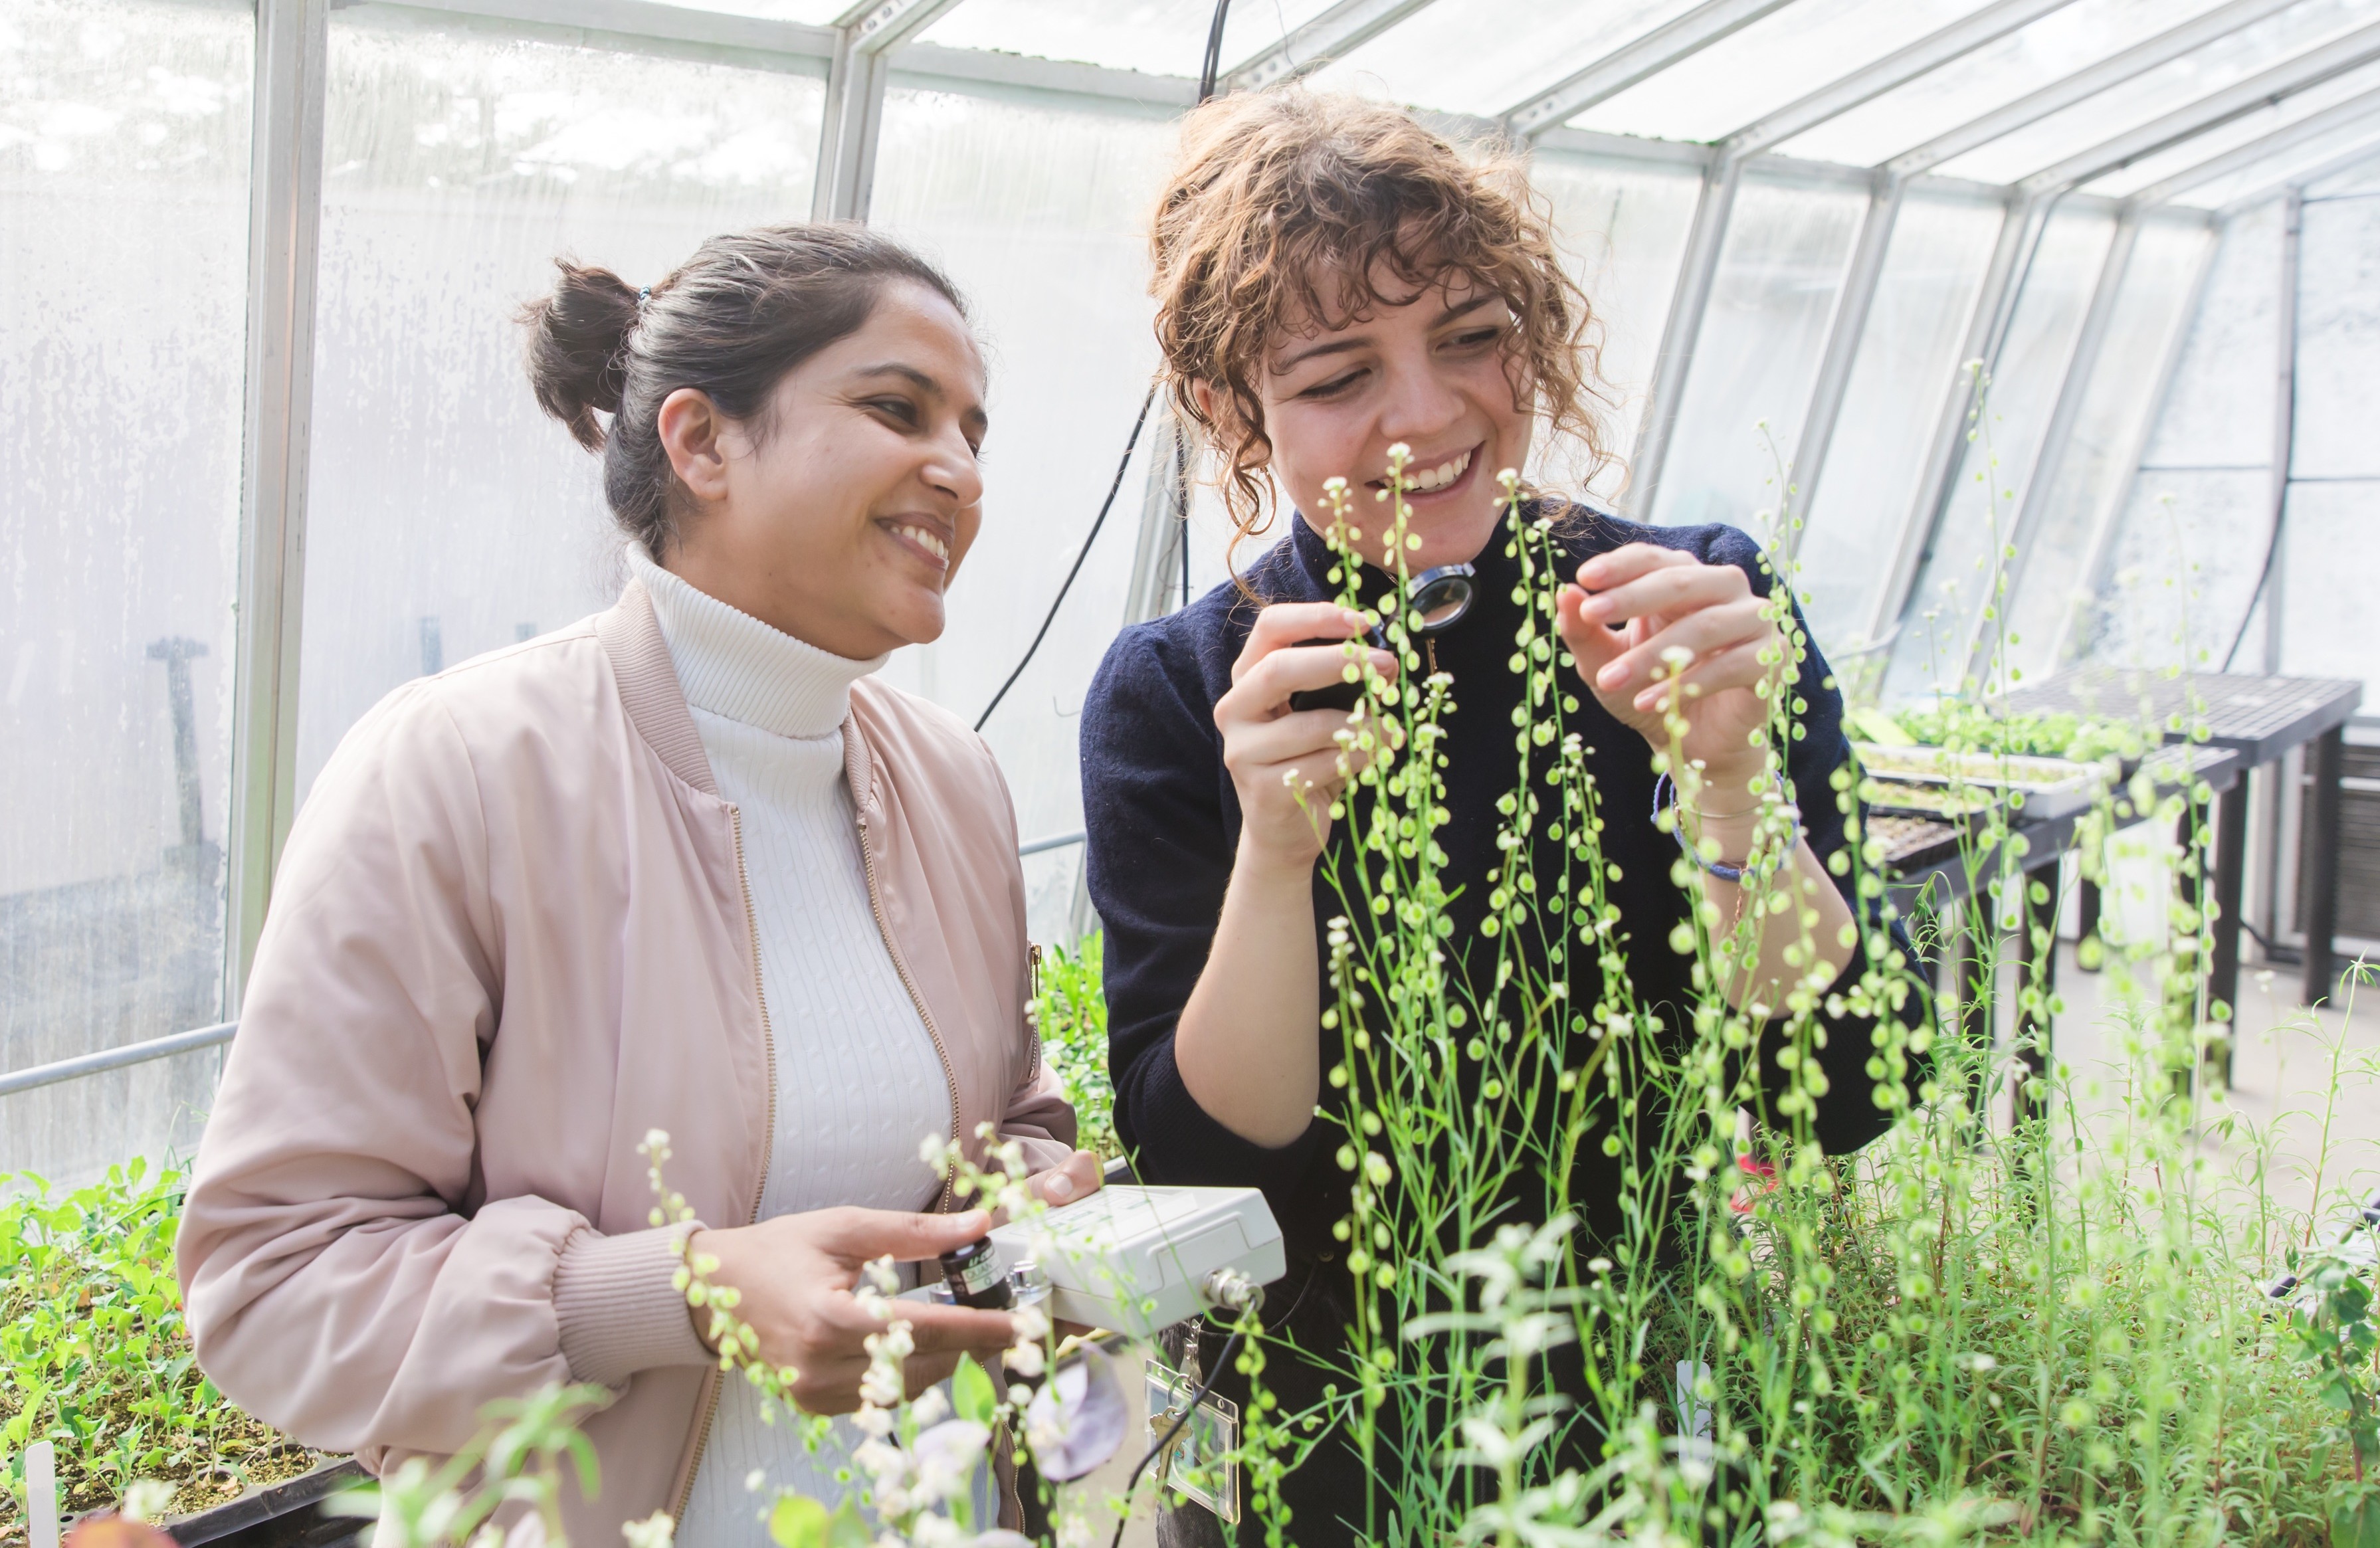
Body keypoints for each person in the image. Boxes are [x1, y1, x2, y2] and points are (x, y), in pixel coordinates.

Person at [176, 223, 1100, 1545]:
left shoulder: (954, 779)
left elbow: (1012, 1107)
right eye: (897, 409)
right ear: (701, 441)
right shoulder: (460, 767)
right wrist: (687, 1292)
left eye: (972, 431)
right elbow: (272, 1284)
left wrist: (1025, 1179)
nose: (955, 469)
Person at [1080, 92, 1904, 1544]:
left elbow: (1834, 1089)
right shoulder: (1184, 691)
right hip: (1320, 1443)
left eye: (1473, 337)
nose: (1428, 413)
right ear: (1231, 407)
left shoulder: (1692, 608)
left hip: (1645, 1419)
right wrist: (1279, 851)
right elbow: (1207, 1175)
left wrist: (1725, 781)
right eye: (1339, 375)